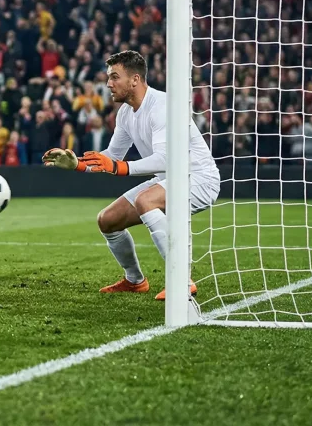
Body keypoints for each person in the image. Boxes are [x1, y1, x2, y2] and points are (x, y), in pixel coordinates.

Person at [43, 50, 221, 300]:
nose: (108, 83)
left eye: (115, 77)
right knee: (108, 220)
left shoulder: (162, 106)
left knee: (145, 200)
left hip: (200, 178)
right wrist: (77, 164)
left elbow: (165, 159)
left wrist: (118, 167)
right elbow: (111, 156)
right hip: (167, 180)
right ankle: (135, 280)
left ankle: (181, 279)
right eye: (109, 77)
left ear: (135, 79)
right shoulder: (126, 113)